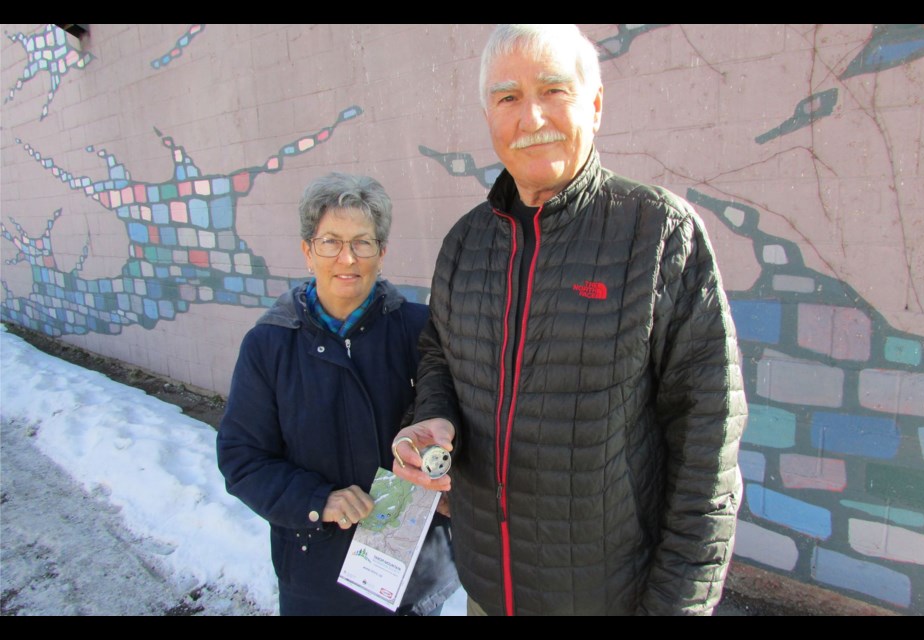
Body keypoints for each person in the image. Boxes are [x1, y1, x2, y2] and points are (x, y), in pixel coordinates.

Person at [391, 24, 747, 616]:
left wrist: (677, 607)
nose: (531, 118)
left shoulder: (658, 233)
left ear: (596, 104)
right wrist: (431, 418)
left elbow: (708, 443)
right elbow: (439, 358)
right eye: (508, 98)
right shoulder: (464, 243)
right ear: (489, 117)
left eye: (553, 90)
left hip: (609, 599)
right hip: (486, 589)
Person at [217, 172, 459, 616]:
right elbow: (242, 458)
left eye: (363, 242)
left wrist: (453, 485)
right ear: (308, 251)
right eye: (330, 241)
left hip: (412, 573)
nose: (347, 258)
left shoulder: (422, 331)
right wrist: (317, 500)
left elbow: (464, 425)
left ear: (382, 253)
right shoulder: (271, 345)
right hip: (316, 575)